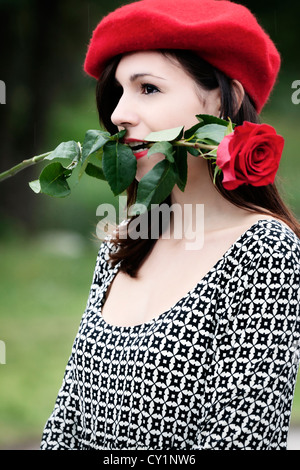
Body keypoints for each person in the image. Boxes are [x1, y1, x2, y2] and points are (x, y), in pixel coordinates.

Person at [40, 0, 300, 450]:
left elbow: (240, 439)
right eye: (119, 91)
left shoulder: (265, 252)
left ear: (226, 100)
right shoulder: (128, 240)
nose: (119, 113)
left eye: (148, 89)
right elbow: (65, 425)